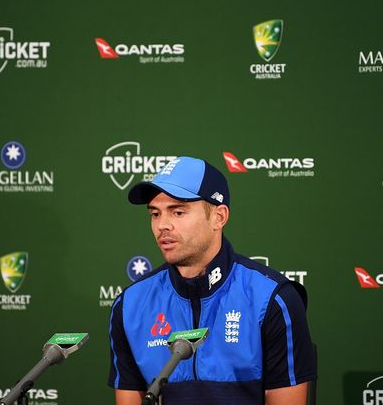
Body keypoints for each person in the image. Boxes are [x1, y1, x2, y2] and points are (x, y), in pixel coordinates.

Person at [108, 156, 316, 405]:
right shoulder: (130, 305)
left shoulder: (273, 298)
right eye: (155, 213)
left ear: (219, 217)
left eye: (178, 212)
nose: (162, 225)